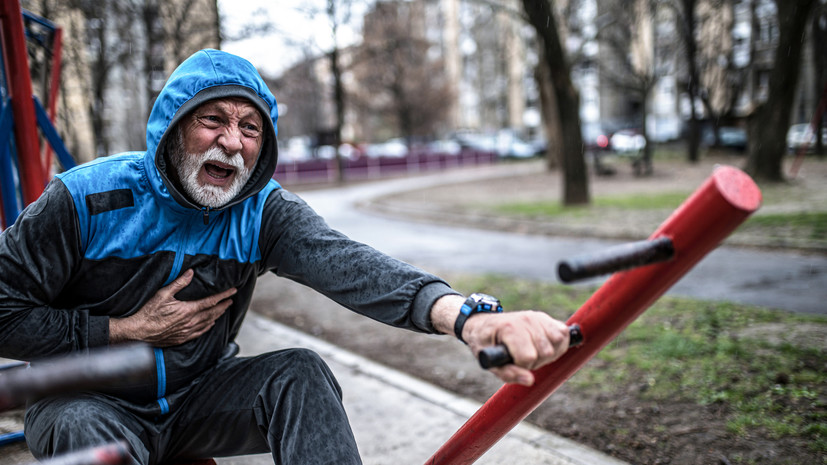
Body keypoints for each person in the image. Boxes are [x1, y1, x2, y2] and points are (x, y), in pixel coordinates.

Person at [0, 49, 570, 464]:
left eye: (250, 127)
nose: (233, 141)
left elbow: (351, 266)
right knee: (81, 422)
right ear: (173, 128)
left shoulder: (261, 211)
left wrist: (466, 317)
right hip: (88, 402)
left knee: (300, 373)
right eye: (213, 120)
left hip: (196, 400)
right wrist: (122, 330)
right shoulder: (84, 201)